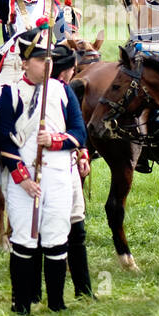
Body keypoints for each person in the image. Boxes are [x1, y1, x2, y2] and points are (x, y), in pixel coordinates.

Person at [0, 24, 87, 315]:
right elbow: (4, 140)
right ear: (24, 63)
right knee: (24, 239)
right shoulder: (11, 94)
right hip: (24, 181)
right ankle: (21, 303)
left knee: (57, 237)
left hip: (58, 176)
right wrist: (22, 178)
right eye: (39, 59)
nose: (46, 64)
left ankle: (56, 303)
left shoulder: (63, 91)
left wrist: (55, 140)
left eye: (49, 58)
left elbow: (79, 132)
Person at [51, 41, 93, 298]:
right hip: (51, 167)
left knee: (77, 226)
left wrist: (82, 152)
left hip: (69, 161)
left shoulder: (67, 92)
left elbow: (78, 128)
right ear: (66, 70)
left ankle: (83, 289)